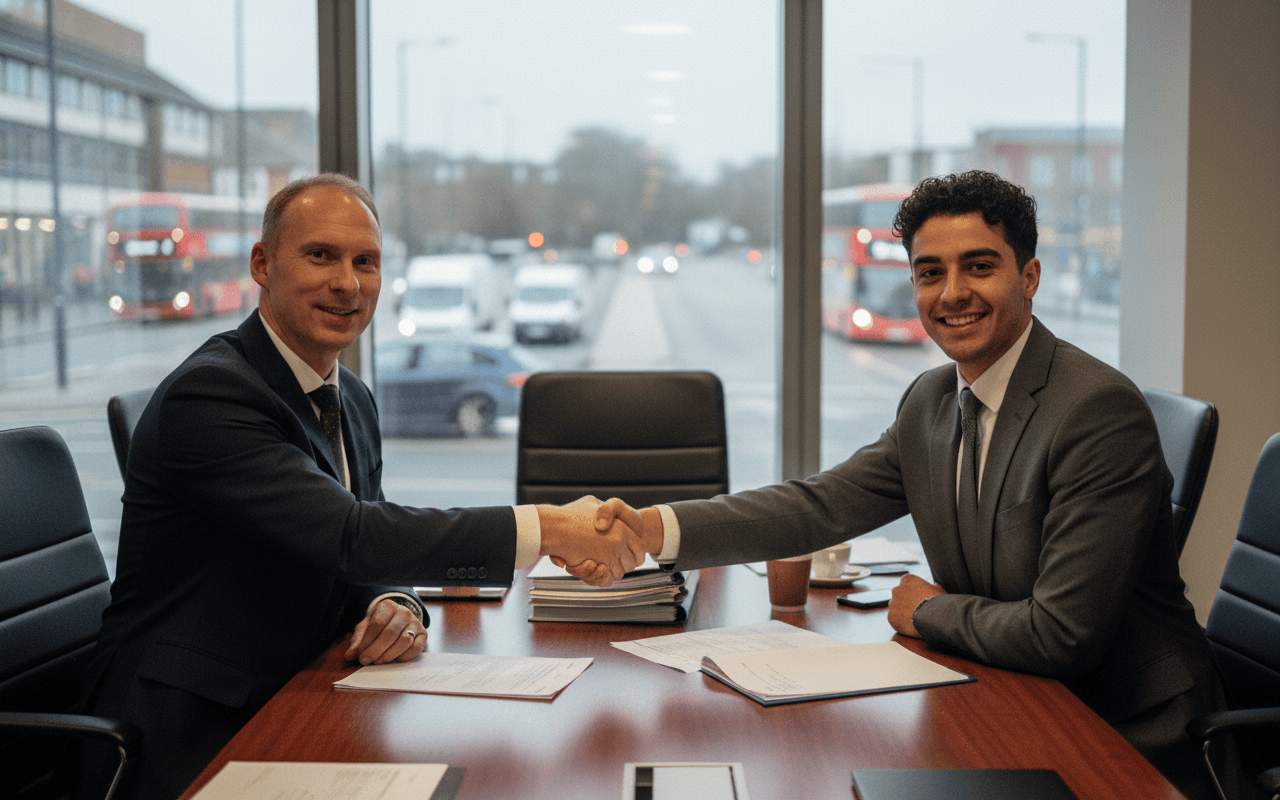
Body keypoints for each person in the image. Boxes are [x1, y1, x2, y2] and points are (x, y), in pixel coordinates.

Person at [592, 171, 1229, 800]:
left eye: (979, 267)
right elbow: (822, 504)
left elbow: (1062, 635)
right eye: (930, 272)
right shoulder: (931, 399)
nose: (952, 293)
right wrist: (652, 530)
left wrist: (924, 610)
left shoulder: (1095, 411)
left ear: (1029, 278)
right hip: (1005, 690)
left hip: (1122, 730)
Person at [77, 174, 643, 800]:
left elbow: (360, 546)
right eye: (320, 255)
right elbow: (351, 535)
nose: (346, 283)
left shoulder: (349, 397)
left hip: (299, 687)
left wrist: (394, 604)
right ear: (262, 264)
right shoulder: (211, 396)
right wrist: (545, 528)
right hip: (186, 730)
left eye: (365, 262)